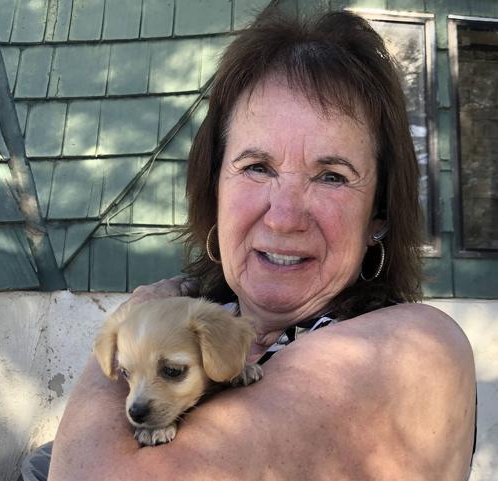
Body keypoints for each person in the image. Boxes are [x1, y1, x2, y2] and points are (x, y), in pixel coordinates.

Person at [31, 6, 476, 481]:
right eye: (257, 167)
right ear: (215, 192)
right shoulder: (200, 328)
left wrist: (129, 322)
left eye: (331, 176)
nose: (284, 217)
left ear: (377, 218)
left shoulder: (411, 346)